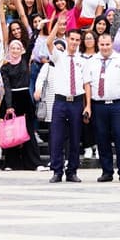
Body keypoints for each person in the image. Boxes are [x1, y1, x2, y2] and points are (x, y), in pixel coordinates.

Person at [38, 23, 90, 183]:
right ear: (67, 39)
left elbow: (86, 83)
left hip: (76, 102)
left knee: (75, 138)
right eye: (72, 39)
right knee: (57, 137)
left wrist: (88, 105)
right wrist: (56, 26)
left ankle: (72, 170)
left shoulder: (83, 60)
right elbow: (48, 43)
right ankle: (57, 170)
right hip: (60, 101)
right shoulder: (59, 56)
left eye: (77, 40)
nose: (74, 42)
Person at [88, 33, 120, 183]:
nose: (105, 47)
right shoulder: (92, 62)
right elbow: (88, 85)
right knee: (102, 139)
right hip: (99, 105)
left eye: (107, 44)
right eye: (102, 44)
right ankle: (107, 171)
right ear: (98, 44)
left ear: (112, 44)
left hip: (118, 105)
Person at [0, 39, 42, 172]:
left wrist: (38, 28)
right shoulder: (5, 67)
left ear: (21, 50)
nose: (15, 51)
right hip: (12, 99)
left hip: (25, 98)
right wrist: (9, 105)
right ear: (9, 50)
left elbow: (31, 43)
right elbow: (7, 86)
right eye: (13, 48)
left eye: (18, 48)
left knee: (28, 131)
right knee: (11, 131)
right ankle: (11, 163)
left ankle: (34, 163)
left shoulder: (25, 60)